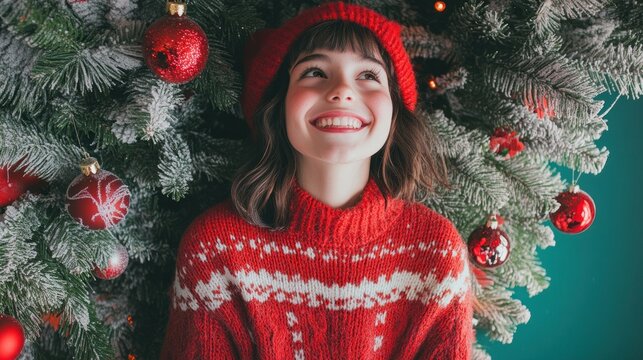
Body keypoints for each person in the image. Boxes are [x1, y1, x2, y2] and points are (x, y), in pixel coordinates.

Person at [161, 2, 474, 359]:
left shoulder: (435, 250)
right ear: (278, 107)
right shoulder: (215, 249)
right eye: (314, 72)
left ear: (395, 110)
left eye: (368, 76)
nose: (342, 90)